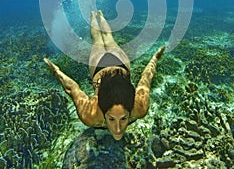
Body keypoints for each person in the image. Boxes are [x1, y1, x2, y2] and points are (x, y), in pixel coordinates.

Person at [44, 10, 165, 141]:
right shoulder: (95, 113)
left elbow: (73, 89)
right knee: (100, 39)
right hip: (110, 63)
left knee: (106, 39)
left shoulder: (89, 116)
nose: (118, 128)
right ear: (102, 111)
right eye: (111, 119)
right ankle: (94, 15)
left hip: (106, 66)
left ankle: (99, 16)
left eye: (124, 118)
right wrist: (56, 71)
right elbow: (145, 79)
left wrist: (155, 58)